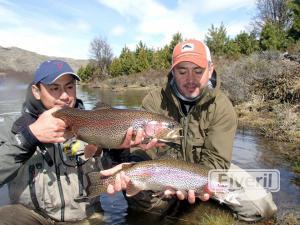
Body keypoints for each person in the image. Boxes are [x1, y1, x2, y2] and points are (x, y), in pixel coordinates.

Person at [104, 39, 278, 222]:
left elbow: (217, 160)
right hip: (163, 172)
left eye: (198, 70)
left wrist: (195, 185)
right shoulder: (154, 101)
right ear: (173, 72)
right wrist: (134, 166)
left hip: (205, 172)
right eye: (182, 71)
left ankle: (204, 206)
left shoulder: (222, 106)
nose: (190, 79)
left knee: (262, 206)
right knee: (143, 207)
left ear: (210, 70)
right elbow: (143, 149)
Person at [0, 59, 132, 225]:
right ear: (36, 91)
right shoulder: (14, 128)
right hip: (33, 217)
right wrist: (29, 136)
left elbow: (112, 170)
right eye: (54, 88)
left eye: (69, 87)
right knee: (5, 216)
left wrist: (120, 149)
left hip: (85, 217)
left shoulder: (98, 122)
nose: (64, 96)